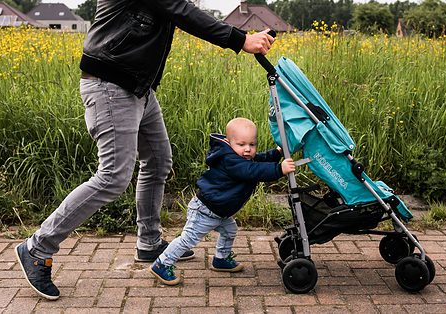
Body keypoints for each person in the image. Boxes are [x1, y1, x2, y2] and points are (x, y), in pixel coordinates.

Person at [14, 0, 275, 301]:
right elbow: (179, 9)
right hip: (111, 84)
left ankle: (149, 242)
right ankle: (37, 248)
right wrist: (240, 39)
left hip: (138, 87)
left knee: (159, 160)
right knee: (113, 176)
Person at [150, 118, 295, 285]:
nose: (248, 149)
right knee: (188, 239)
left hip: (220, 211)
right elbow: (252, 170)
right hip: (205, 210)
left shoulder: (241, 157)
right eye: (241, 145)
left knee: (230, 230)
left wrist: (277, 153)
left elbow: (258, 161)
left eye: (252, 145)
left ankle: (221, 259)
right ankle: (162, 263)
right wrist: (279, 169)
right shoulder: (229, 160)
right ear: (228, 142)